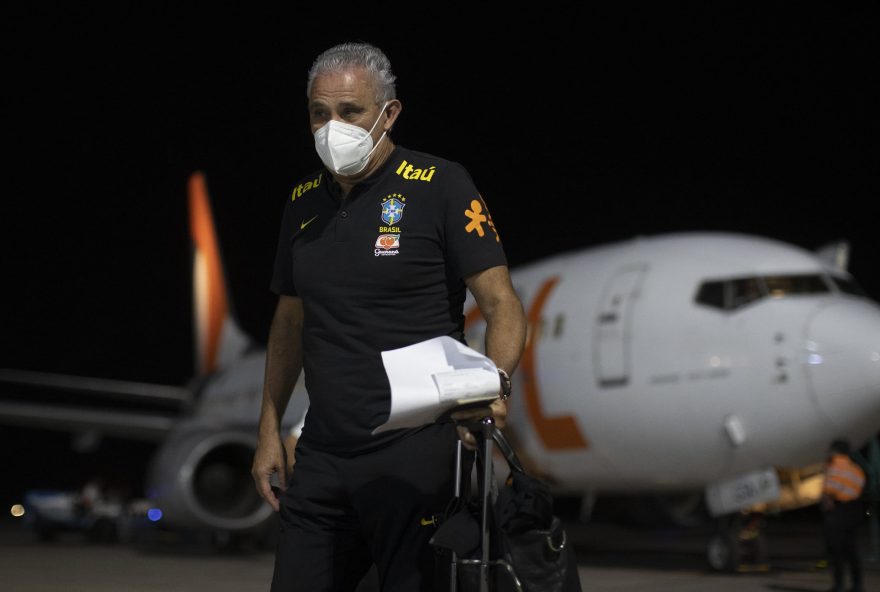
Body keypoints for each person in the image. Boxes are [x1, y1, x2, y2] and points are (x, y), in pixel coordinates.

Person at [251, 41, 527, 592]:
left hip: (416, 452)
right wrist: (267, 429)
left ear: (389, 112)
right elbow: (288, 326)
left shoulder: (442, 185)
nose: (333, 126)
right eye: (319, 113)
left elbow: (503, 305)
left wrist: (492, 389)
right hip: (323, 452)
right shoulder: (303, 202)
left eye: (350, 112)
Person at [820, 438, 866, 592]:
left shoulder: (833, 465)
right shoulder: (856, 468)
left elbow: (830, 489)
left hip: (838, 510)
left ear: (835, 450)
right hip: (854, 510)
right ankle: (857, 585)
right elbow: (859, 486)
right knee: (852, 550)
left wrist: (827, 505)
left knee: (836, 550)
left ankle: (839, 585)